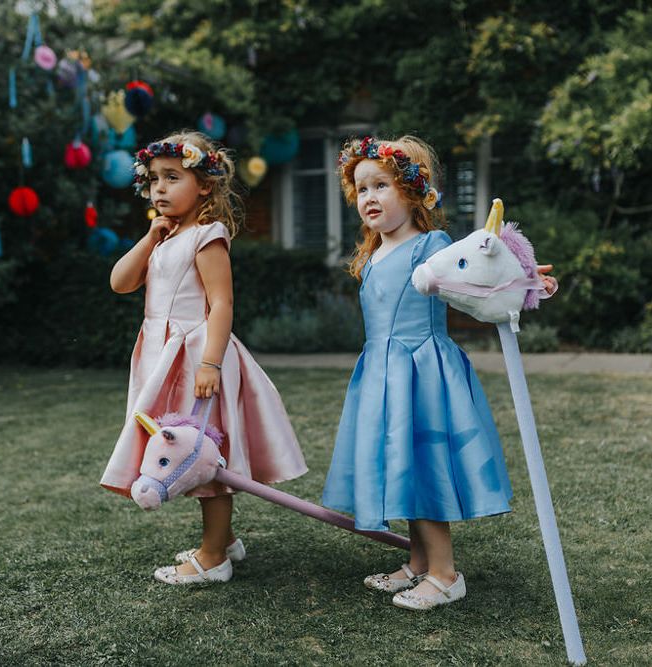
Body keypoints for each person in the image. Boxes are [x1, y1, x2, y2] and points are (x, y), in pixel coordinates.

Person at [321, 136, 557, 611]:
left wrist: (523, 280)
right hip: (382, 373)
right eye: (361, 188)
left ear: (411, 192)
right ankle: (418, 563)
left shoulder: (430, 246)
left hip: (422, 372)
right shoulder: (371, 255)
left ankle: (446, 574)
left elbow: (474, 284)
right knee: (401, 465)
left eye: (381, 185)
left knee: (423, 466)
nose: (369, 197)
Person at [101, 131, 307, 585]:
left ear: (205, 186)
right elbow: (119, 282)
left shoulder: (208, 235)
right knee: (177, 447)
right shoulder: (164, 236)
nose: (159, 188)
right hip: (161, 358)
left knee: (201, 451)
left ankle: (214, 557)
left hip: (196, 357)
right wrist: (150, 235)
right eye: (154, 179)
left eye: (172, 178)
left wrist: (210, 363)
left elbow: (221, 304)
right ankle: (225, 539)